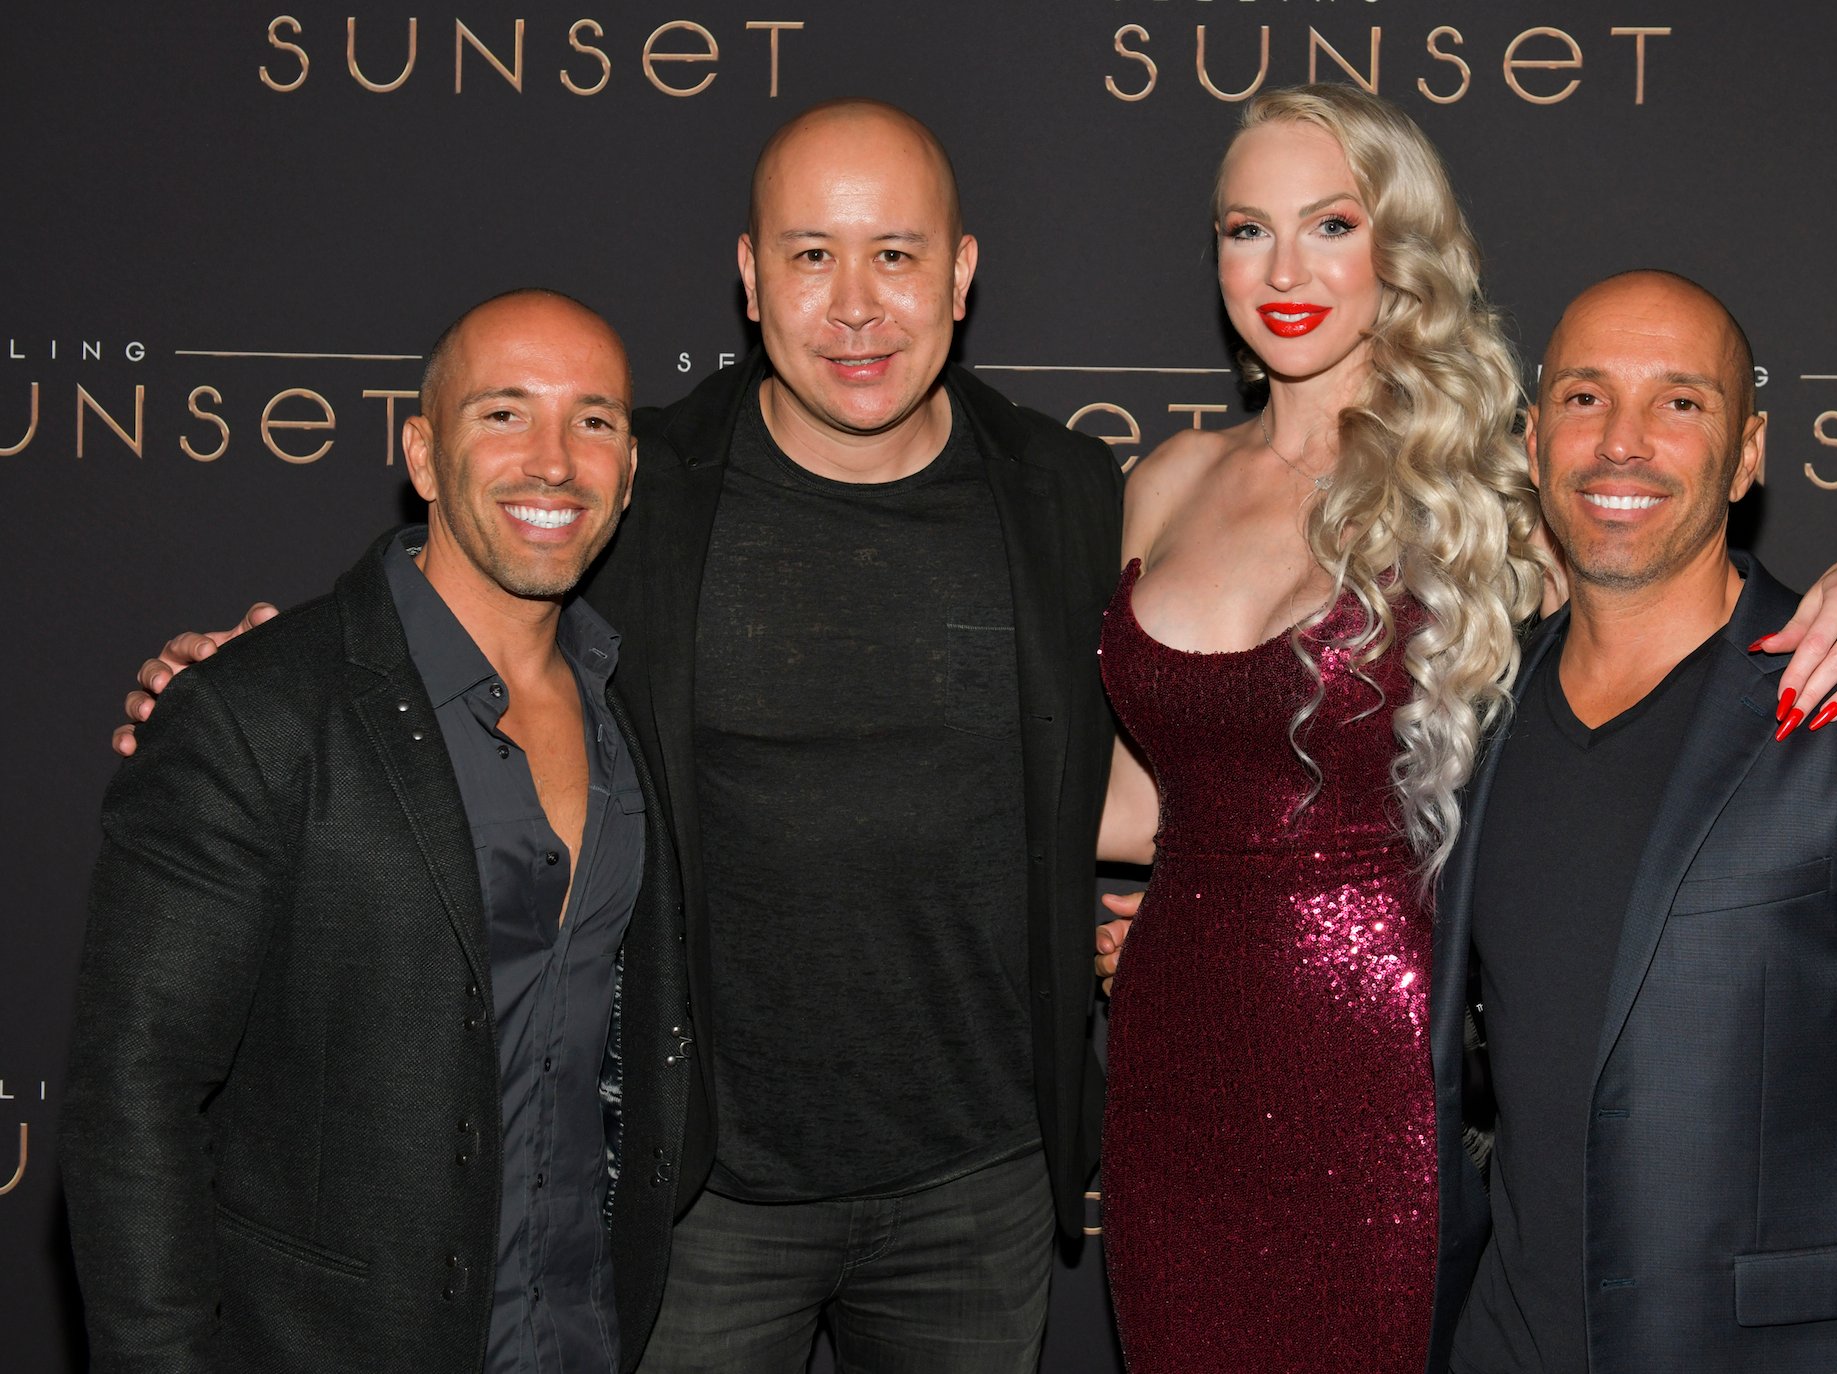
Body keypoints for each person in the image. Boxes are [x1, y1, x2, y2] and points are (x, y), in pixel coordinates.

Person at [112, 101, 1125, 1374]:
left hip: (979, 1187)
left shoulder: (1070, 494)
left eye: (897, 255)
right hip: (696, 1191)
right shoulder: (638, 483)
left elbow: (1168, 735)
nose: (856, 305)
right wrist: (243, 675)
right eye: (812, 255)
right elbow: (437, 611)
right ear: (751, 280)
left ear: (962, 274)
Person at [1089, 87, 1837, 1372]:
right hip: (1172, 1058)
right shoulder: (1163, 480)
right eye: (1245, 229)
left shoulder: (1486, 487)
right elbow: (1139, 805)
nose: (1285, 269)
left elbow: (1679, 625)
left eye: (1329, 224)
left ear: (1401, 250)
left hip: (1374, 1067)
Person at [1420, 270, 1837, 1373]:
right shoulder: (1473, 718)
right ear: (1531, 442)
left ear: (1750, 451)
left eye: (1681, 402)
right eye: (1585, 398)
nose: (1623, 441)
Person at [62, 290, 693, 1373]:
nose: (555, 460)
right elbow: (135, 1094)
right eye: (504, 413)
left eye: (594, 420)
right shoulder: (257, 711)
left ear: (629, 471)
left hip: (586, 1338)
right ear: (423, 454)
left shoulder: (629, 707)